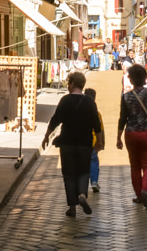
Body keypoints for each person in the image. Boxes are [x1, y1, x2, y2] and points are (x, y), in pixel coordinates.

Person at [42, 70, 102, 217]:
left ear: (73, 83)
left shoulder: (65, 100)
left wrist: (46, 136)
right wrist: (99, 141)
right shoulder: (89, 102)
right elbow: (97, 124)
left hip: (67, 142)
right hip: (85, 143)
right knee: (83, 171)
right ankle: (82, 195)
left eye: (69, 83)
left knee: (69, 174)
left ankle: (72, 207)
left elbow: (55, 120)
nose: (68, 85)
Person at [116, 63, 147, 210]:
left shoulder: (126, 97)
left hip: (131, 134)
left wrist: (118, 138)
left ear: (130, 79)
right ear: (144, 78)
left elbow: (122, 119)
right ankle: (145, 190)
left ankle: (138, 195)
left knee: (135, 166)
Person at [84, 87, 104, 192]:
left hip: (81, 141)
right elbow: (100, 129)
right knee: (94, 162)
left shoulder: (80, 110)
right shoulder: (97, 113)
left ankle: (81, 183)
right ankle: (94, 182)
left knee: (81, 162)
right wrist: (101, 142)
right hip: (93, 142)